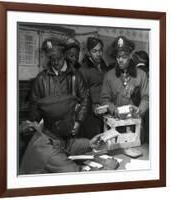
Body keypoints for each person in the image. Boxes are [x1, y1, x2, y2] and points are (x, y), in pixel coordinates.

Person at [19, 37, 92, 174]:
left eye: (57, 58)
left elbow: (85, 99)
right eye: (51, 58)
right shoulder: (41, 78)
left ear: (64, 54)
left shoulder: (75, 75)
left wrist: (78, 121)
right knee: (59, 162)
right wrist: (37, 122)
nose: (55, 62)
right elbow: (34, 105)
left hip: (71, 127)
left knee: (71, 157)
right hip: (52, 131)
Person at [99, 36, 149, 142]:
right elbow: (104, 99)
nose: (120, 60)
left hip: (136, 126)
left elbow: (146, 97)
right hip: (116, 127)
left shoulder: (141, 75)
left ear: (130, 55)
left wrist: (139, 110)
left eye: (124, 57)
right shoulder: (109, 75)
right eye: (118, 57)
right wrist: (113, 109)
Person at [79, 37, 108, 139]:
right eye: (94, 51)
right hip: (90, 116)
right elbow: (83, 95)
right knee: (93, 143)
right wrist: (92, 107)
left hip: (105, 112)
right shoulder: (83, 70)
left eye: (100, 50)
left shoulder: (104, 67)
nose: (98, 54)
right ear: (88, 52)